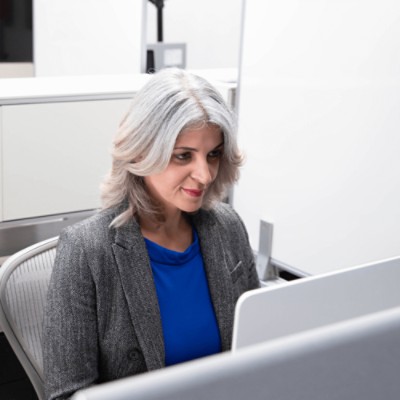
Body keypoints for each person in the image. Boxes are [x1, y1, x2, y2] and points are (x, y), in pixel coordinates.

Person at [42, 68, 260, 400]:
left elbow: (258, 349)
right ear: (142, 152)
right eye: (183, 156)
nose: (204, 174)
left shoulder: (227, 227)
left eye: (213, 154)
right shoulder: (87, 250)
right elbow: (67, 393)